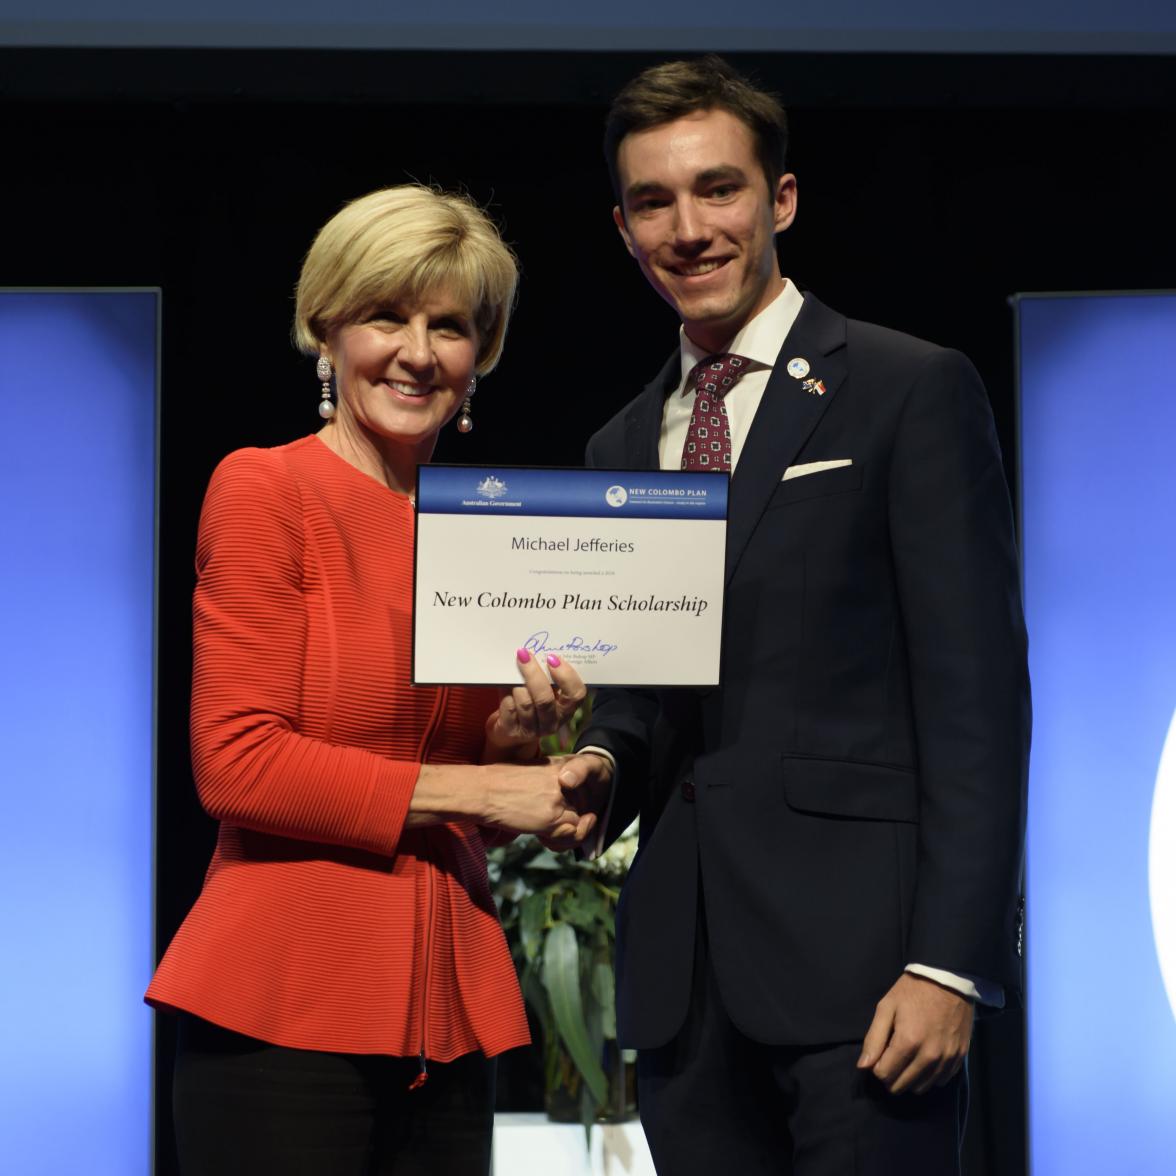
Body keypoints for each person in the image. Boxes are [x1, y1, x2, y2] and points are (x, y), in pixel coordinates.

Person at [557, 57, 1030, 1174]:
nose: (688, 228)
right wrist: (595, 762)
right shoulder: (620, 447)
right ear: (622, 228)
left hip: (869, 980)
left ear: (781, 201)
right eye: (652, 202)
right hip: (688, 990)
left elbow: (977, 700)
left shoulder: (908, 387)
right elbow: (648, 697)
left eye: (718, 190)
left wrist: (948, 966)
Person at [146, 184, 596, 1176]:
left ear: (484, 354)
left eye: (450, 325)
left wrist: (518, 744)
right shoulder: (267, 488)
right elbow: (237, 763)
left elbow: (456, 767)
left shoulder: (483, 528)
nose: (419, 351)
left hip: (447, 1004)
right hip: (284, 1005)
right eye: (386, 316)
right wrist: (490, 788)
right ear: (324, 330)